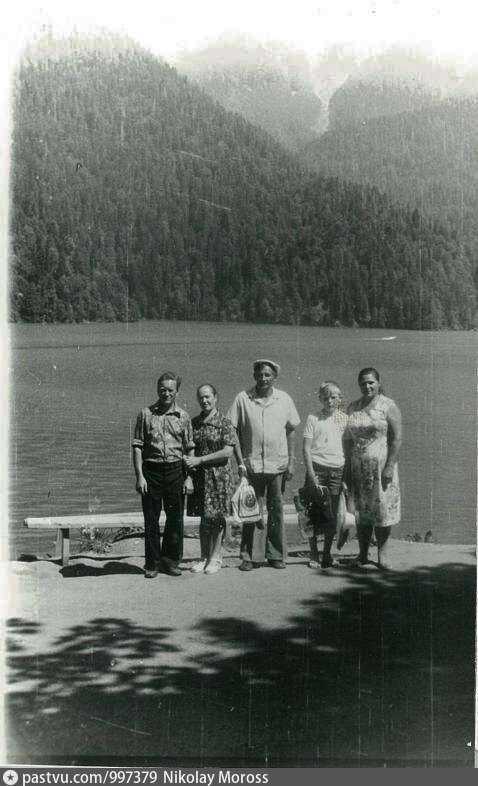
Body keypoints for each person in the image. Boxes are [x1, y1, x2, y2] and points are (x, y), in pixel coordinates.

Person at [227, 359, 300, 571]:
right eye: (260, 375)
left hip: (278, 465)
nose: (263, 378)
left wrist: (292, 461)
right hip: (252, 465)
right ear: (254, 376)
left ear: (274, 377)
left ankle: (276, 554)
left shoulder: (284, 399)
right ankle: (250, 556)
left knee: (276, 509)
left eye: (267, 375)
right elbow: (232, 430)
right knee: (251, 509)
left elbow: (291, 430)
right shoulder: (243, 398)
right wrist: (240, 461)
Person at [132, 372, 195, 578]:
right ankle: (152, 563)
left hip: (176, 470)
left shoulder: (183, 416)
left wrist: (189, 477)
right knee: (151, 519)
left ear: (177, 392)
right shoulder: (145, 414)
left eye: (170, 390)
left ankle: (170, 561)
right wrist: (140, 476)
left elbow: (190, 448)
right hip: (152, 471)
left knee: (175, 519)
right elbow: (138, 447)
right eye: (162, 390)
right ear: (157, 390)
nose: (166, 393)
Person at [344, 367, 402, 570]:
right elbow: (346, 438)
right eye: (363, 383)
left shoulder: (388, 406)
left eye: (371, 382)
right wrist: (346, 466)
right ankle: (362, 554)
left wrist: (390, 466)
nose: (367, 386)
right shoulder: (353, 407)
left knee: (382, 510)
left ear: (378, 383)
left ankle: (382, 555)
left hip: (381, 468)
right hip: (358, 467)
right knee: (361, 511)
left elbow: (397, 439)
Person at [184, 384, 238, 575]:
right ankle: (204, 556)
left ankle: (215, 557)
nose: (204, 401)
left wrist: (200, 460)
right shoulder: (194, 423)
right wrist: (189, 476)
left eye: (207, 397)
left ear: (216, 397)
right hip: (200, 477)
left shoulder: (225, 422)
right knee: (204, 517)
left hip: (219, 476)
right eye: (201, 397)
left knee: (217, 517)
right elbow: (190, 450)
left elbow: (227, 451)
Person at [302, 381, 348, 570]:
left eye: (333, 397)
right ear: (320, 398)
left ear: (340, 399)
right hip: (317, 468)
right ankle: (313, 552)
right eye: (326, 397)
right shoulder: (313, 418)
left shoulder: (344, 419)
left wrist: (345, 477)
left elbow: (347, 447)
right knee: (313, 512)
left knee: (332, 514)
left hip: (337, 470)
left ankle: (327, 553)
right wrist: (312, 475)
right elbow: (306, 449)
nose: (330, 401)